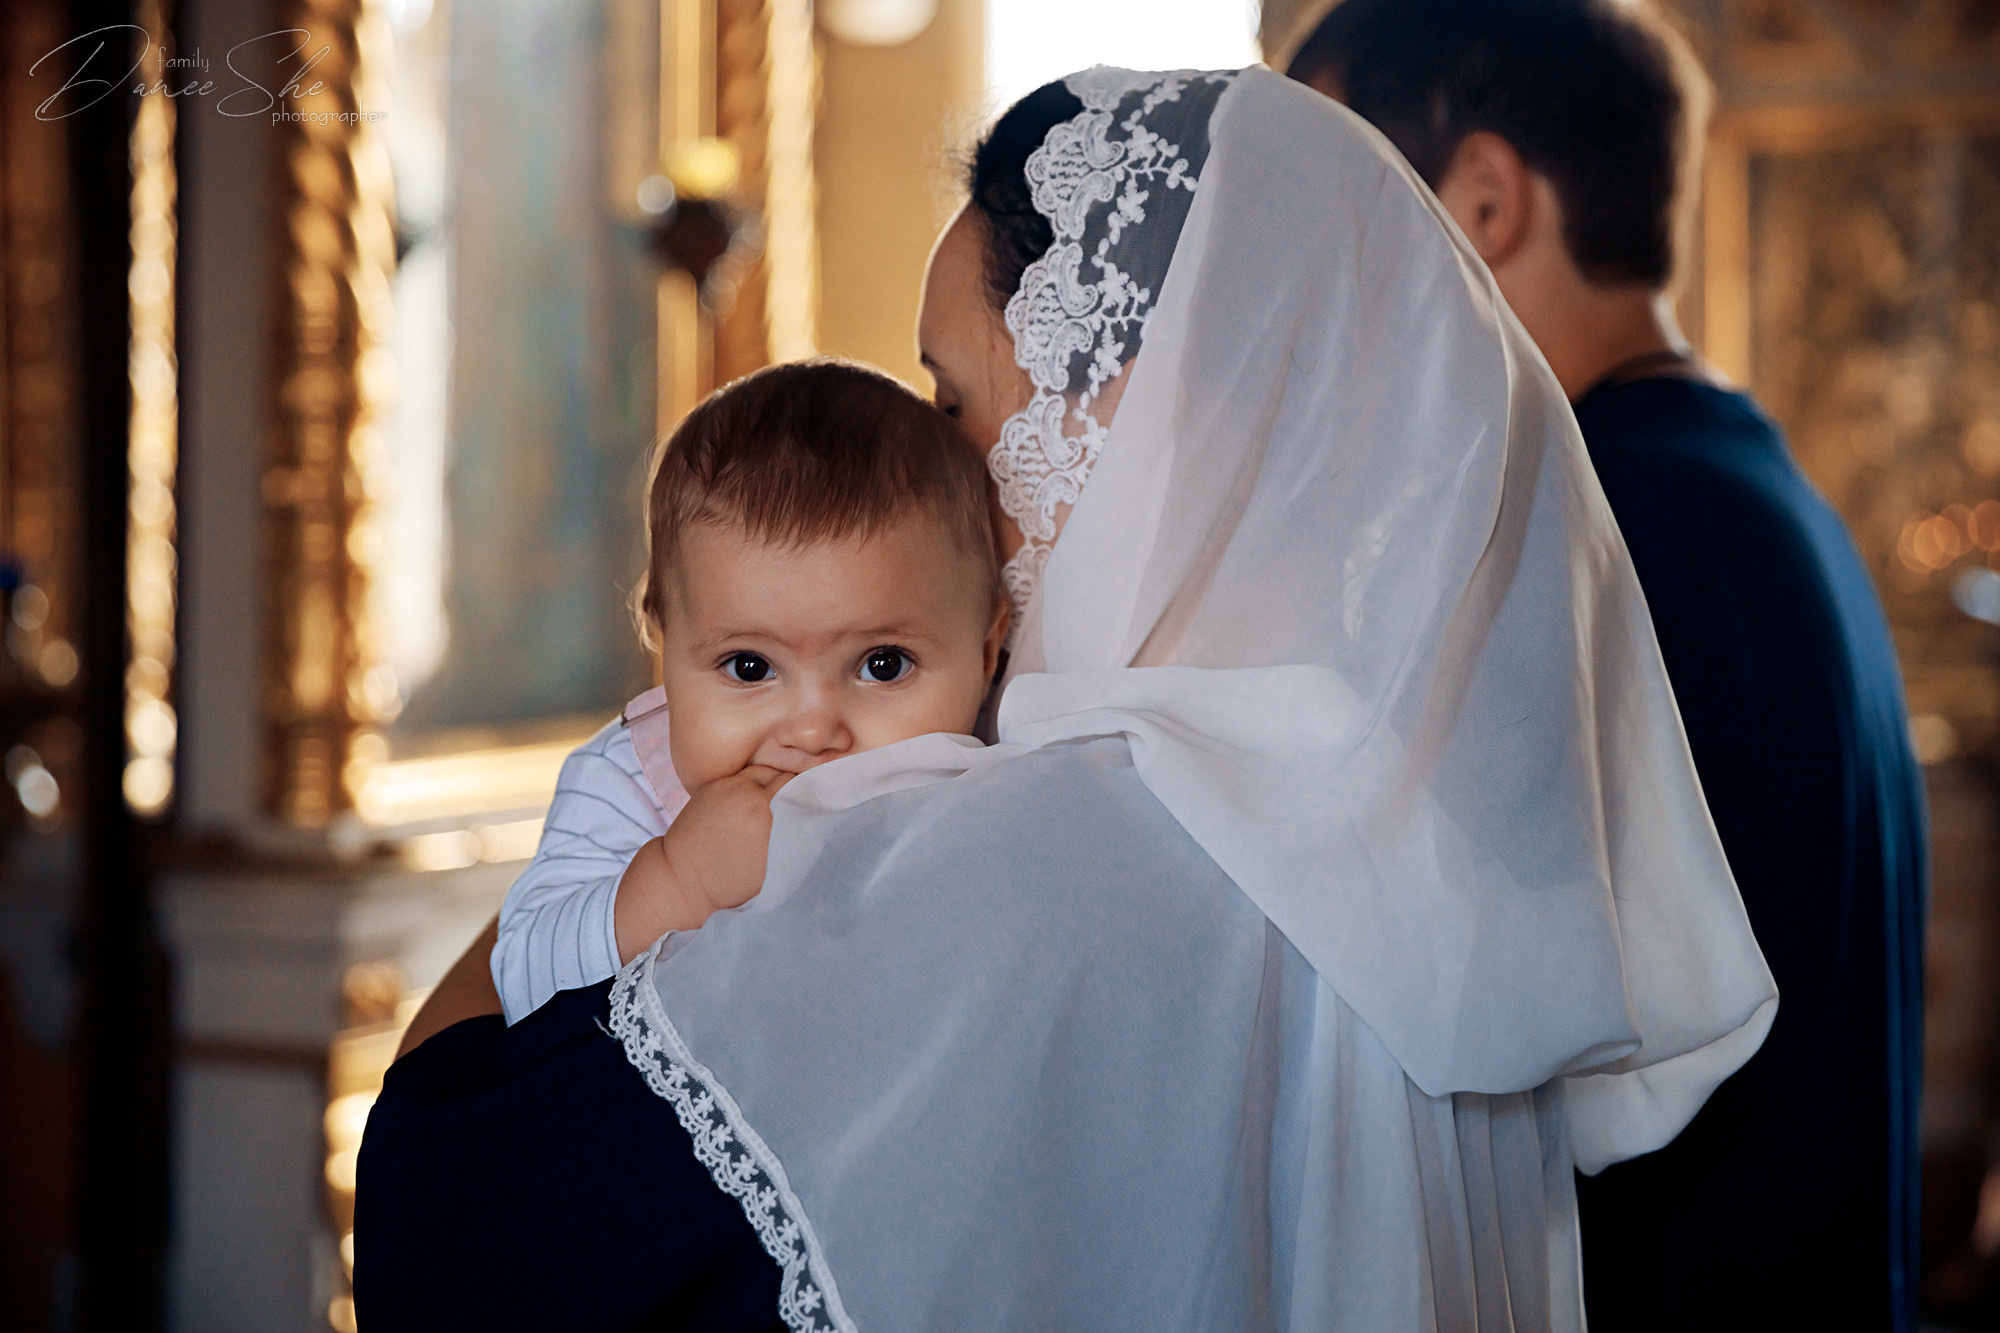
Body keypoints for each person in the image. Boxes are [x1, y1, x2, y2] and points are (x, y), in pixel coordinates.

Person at [359, 66, 1777, 1331]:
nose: (946, 492)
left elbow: (456, 1219)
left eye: (964, 409)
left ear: (1143, 406)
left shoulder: (1017, 846)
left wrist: (641, 818)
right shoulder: (1422, 830)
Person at [1279, 3, 1928, 1328]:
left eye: (1339, 197)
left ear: (1487, 194)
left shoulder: (1603, 533)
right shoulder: (1731, 480)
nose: (1301, 273)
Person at [486, 358, 1009, 1022]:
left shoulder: (996, 780)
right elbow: (523, 981)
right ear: (663, 637)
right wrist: (681, 879)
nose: (814, 730)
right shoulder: (628, 784)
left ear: (987, 651)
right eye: (750, 668)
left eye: (882, 664)